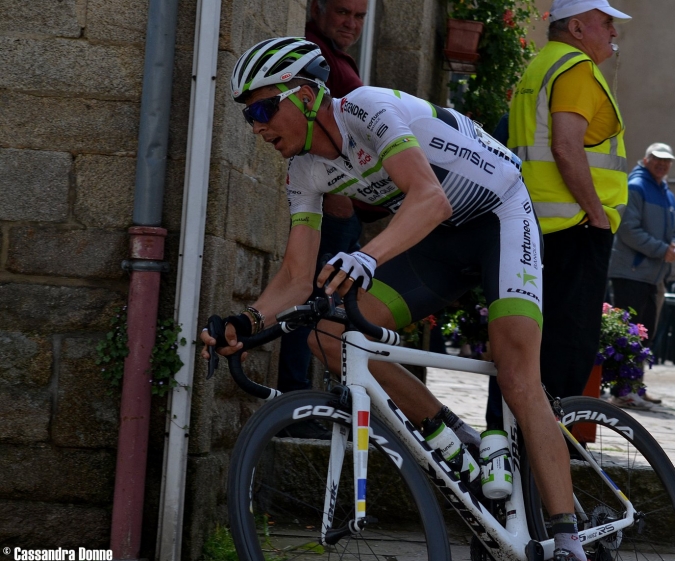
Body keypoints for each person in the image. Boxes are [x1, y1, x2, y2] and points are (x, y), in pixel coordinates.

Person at [202, 37, 588, 561]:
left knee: (518, 374)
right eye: (249, 116)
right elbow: (297, 275)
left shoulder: (367, 107)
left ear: (307, 94)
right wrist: (245, 323)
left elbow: (428, 197)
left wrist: (367, 257)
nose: (257, 127)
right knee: (328, 334)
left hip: (499, 212)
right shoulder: (304, 172)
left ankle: (568, 540)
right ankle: (450, 436)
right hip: (440, 239)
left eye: (265, 108)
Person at [509, 0, 631, 405]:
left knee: (528, 350)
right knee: (567, 350)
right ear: (577, 28)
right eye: (606, 22)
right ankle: (554, 452)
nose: (613, 31)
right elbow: (565, 146)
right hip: (575, 229)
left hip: (536, 226)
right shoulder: (576, 67)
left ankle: (511, 449)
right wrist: (597, 215)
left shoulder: (540, 64)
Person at [276, 0, 370, 436]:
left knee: (327, 309)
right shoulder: (312, 56)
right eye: (342, 13)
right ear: (316, 9)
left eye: (359, 16)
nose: (351, 23)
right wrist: (336, 195)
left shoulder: (335, 56)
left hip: (349, 209)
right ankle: (298, 405)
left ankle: (316, 403)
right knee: (313, 306)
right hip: (331, 208)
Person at [608, 142, 675, 350]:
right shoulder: (635, 187)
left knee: (644, 339)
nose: (662, 164)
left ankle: (634, 382)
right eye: (658, 159)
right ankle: (622, 383)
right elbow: (628, 230)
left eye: (667, 160)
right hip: (630, 275)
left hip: (653, 277)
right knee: (625, 337)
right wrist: (662, 250)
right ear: (646, 160)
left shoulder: (668, 195)